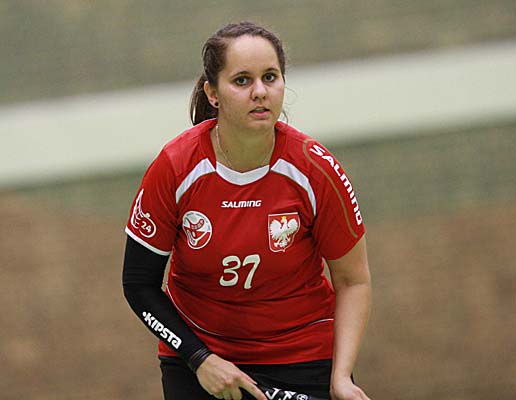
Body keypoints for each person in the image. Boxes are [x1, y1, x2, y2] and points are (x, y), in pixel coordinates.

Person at [122, 21, 372, 400]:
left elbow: (353, 280)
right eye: (242, 80)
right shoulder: (175, 167)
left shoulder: (315, 169)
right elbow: (138, 284)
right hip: (200, 359)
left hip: (302, 358)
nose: (260, 92)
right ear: (213, 93)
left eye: (270, 77)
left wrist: (341, 378)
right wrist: (199, 358)